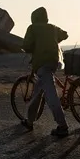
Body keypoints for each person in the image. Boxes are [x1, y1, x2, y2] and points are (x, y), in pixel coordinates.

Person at [21, 7, 70, 136]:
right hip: (54, 62)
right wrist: (52, 40)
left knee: (51, 96)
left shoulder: (32, 28)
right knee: (37, 93)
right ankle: (30, 121)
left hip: (42, 64)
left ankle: (62, 126)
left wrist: (32, 47)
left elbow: (26, 45)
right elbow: (65, 34)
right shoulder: (52, 28)